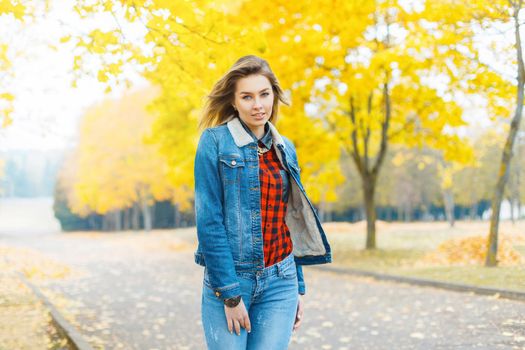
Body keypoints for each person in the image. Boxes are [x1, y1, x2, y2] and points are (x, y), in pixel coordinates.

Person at [193, 55, 332, 350]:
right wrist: (230, 295)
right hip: (231, 281)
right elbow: (209, 222)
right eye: (247, 97)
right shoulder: (214, 142)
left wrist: (298, 287)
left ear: (274, 96)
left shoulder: (285, 147)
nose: (258, 105)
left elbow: (290, 218)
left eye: (264, 94)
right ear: (233, 101)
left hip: (281, 281)